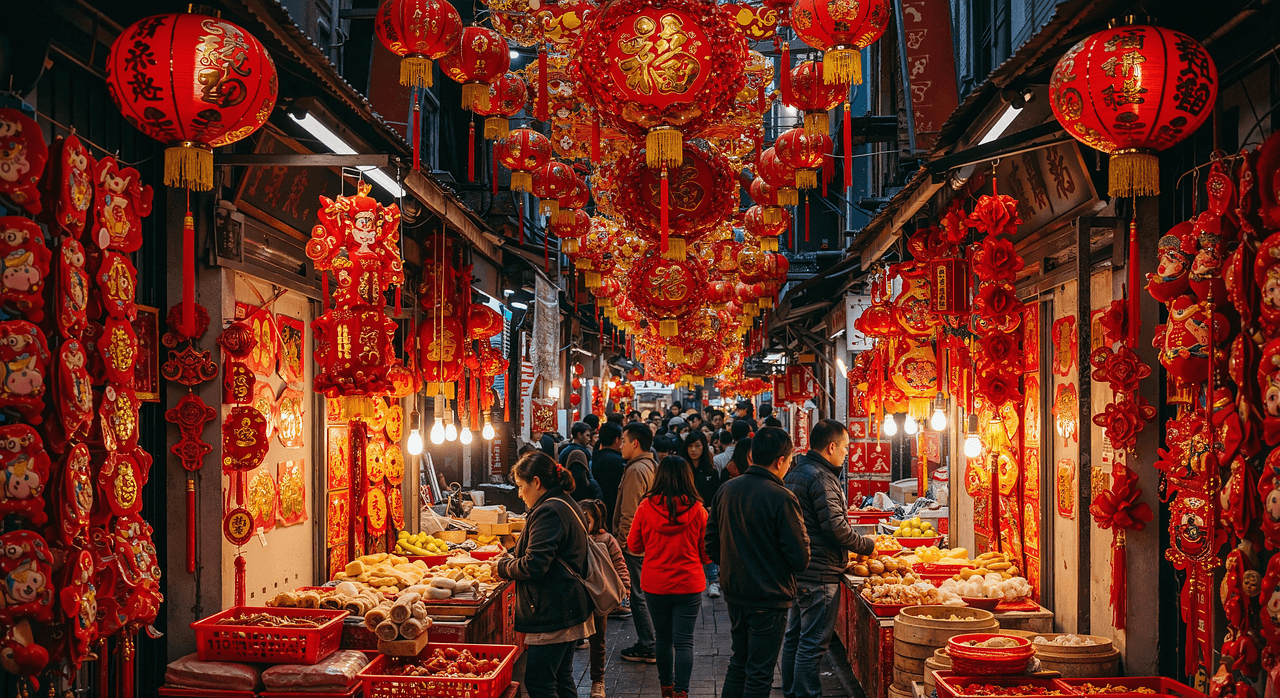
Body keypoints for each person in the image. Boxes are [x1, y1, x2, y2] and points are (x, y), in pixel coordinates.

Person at [706, 427, 810, 698]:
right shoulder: (782, 497)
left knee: (739, 663)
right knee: (760, 674)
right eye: (789, 461)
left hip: (736, 593)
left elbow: (711, 544)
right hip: (769, 597)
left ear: (752, 456)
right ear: (780, 461)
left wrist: (734, 564)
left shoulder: (727, 489)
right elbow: (800, 557)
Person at [781, 419, 876, 698]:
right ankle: (806, 694)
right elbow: (836, 528)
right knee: (812, 643)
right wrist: (866, 545)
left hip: (800, 569)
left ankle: (791, 691)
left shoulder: (798, 472)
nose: (846, 453)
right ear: (831, 447)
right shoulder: (822, 478)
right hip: (819, 573)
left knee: (795, 637)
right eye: (845, 448)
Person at [494, 452, 593, 698]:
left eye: (521, 486)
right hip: (566, 605)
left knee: (540, 683)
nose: (519, 494)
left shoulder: (549, 511)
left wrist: (502, 567)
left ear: (536, 482)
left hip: (553, 609)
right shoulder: (563, 502)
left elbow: (535, 565)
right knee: (561, 678)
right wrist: (511, 554)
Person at [628, 456, 710, 698]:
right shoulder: (698, 510)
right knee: (684, 642)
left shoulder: (645, 507)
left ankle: (666, 689)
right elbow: (707, 554)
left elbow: (634, 545)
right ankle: (681, 692)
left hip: (656, 584)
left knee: (663, 639)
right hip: (689, 584)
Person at [615, 422, 659, 663]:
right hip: (647, 541)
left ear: (635, 443)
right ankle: (652, 642)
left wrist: (623, 543)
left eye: (623, 441)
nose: (620, 445)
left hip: (636, 544)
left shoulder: (636, 470)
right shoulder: (650, 466)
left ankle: (649, 645)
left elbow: (629, 512)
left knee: (638, 595)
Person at [579, 499, 632, 698]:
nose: (583, 524)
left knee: (598, 641)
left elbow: (619, 563)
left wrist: (625, 586)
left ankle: (597, 681)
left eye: (587, 520)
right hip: (579, 598)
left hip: (599, 600)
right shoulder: (574, 538)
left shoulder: (607, 539)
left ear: (597, 521)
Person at [683, 430, 722, 599]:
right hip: (686, 515)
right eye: (690, 446)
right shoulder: (682, 469)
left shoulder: (710, 470)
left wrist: (711, 508)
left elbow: (716, 493)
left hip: (706, 514)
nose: (693, 450)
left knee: (708, 545)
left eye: (697, 446)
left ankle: (713, 581)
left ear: (703, 447)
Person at [593, 423, 627, 529]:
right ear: (617, 440)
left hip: (596, 511)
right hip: (615, 513)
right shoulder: (621, 462)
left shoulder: (593, 458)